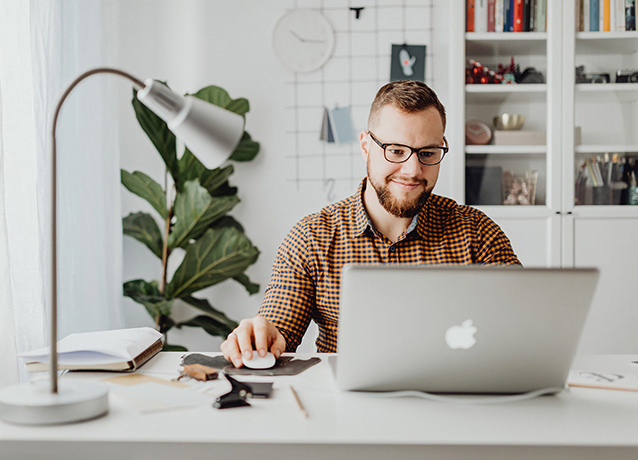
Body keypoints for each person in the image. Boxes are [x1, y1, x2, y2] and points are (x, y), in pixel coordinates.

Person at [221, 80, 520, 368]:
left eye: (428, 153)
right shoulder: (312, 237)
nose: (413, 170)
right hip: (346, 410)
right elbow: (278, 329)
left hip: (454, 404)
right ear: (366, 146)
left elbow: (524, 325)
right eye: (396, 150)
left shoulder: (477, 233)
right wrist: (261, 337)